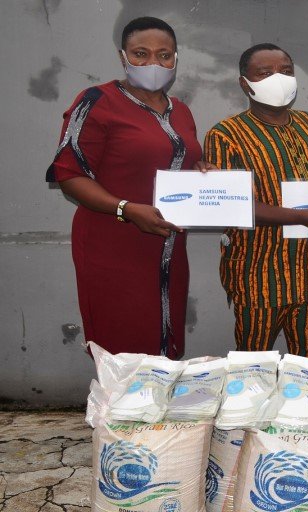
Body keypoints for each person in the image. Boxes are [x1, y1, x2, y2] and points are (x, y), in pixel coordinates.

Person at [46, 17, 210, 358]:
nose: (154, 63)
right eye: (141, 54)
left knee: (165, 340)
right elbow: (69, 174)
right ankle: (118, 410)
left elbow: (174, 162)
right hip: (114, 241)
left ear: (176, 59)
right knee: (123, 344)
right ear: (123, 57)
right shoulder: (96, 101)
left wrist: (202, 172)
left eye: (164, 55)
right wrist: (126, 209)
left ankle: (154, 409)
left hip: (167, 247)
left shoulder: (180, 111)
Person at [204, 43, 308, 357]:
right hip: (260, 274)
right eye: (265, 73)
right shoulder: (226, 134)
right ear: (245, 83)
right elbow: (232, 206)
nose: (277, 79)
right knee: (253, 364)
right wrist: (303, 217)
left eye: (285, 71)